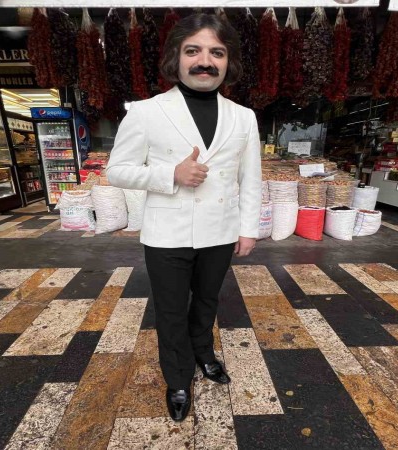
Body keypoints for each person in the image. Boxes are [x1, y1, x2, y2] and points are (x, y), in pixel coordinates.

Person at [106, 13, 262, 422]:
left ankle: (204, 354)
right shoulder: (146, 112)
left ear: (228, 61)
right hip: (167, 232)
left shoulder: (243, 116)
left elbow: (251, 178)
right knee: (171, 309)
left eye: (216, 52)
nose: (205, 61)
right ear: (176, 57)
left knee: (207, 301)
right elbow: (117, 171)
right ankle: (177, 378)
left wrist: (248, 229)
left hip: (220, 230)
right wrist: (169, 175)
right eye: (193, 51)